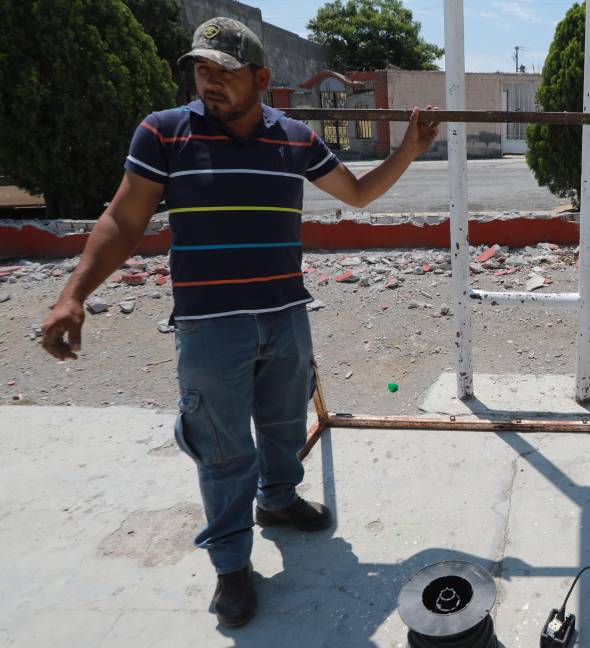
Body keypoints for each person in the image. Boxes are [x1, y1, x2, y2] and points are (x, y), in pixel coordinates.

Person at [39, 17, 439, 627]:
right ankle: (231, 566)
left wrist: (408, 150)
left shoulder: (295, 138)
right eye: (202, 70)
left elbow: (356, 194)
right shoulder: (164, 133)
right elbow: (124, 220)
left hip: (284, 315)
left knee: (282, 426)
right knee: (222, 452)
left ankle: (277, 501)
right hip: (209, 325)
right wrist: (74, 294)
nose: (210, 83)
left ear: (260, 78)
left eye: (224, 72)